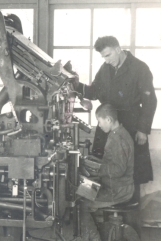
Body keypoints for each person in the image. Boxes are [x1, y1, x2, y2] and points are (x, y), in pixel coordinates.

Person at [75, 36, 157, 193]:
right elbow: (94, 91)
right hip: (107, 121)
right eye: (103, 57)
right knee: (99, 164)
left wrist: (143, 129)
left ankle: (130, 210)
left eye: (108, 55)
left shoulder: (140, 68)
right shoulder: (105, 68)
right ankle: (98, 208)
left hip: (132, 123)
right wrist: (77, 86)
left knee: (133, 172)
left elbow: (150, 101)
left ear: (118, 49)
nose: (106, 60)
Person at [80, 103, 135, 241]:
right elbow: (113, 162)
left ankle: (94, 238)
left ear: (109, 120)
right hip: (115, 186)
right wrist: (94, 161)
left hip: (118, 190)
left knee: (80, 202)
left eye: (99, 121)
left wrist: (97, 168)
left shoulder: (117, 139)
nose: (99, 125)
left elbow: (118, 170)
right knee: (80, 191)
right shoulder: (118, 133)